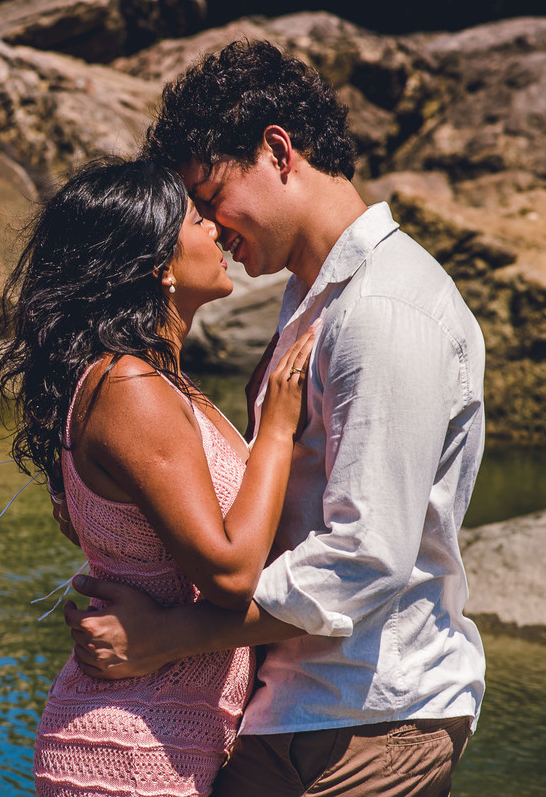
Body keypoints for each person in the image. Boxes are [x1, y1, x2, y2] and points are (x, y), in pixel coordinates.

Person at [60, 40, 486, 797]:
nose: (209, 225)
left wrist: (170, 637)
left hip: (368, 714)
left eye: (210, 195)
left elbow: (365, 557)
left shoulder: (383, 310)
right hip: (301, 709)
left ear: (279, 151)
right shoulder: (313, 298)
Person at [0, 154, 319, 796]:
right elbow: (230, 575)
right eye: (196, 220)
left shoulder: (160, 386)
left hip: (167, 734)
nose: (215, 227)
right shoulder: (129, 386)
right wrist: (277, 433)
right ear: (158, 266)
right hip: (130, 746)